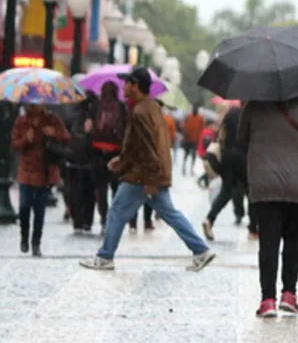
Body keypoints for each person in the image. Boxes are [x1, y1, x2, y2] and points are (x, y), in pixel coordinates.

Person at [80, 66, 215, 271]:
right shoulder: (150, 107)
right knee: (169, 212)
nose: (123, 87)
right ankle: (201, 250)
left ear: (136, 86)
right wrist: (122, 159)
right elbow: (140, 144)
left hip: (143, 174)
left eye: (127, 83)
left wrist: (150, 178)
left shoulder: (140, 111)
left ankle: (105, 256)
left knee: (117, 210)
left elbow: (148, 147)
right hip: (150, 171)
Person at [239, 95, 298, 317]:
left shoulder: (255, 104)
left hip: (265, 181)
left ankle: (267, 300)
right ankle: (289, 295)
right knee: (293, 237)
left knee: (268, 241)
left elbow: (242, 138)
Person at [11, 104, 70, 256]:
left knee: (39, 210)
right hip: (26, 171)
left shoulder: (52, 119)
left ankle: (36, 242)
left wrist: (54, 133)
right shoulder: (22, 121)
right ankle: (24, 237)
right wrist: (26, 139)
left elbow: (66, 137)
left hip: (45, 171)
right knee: (24, 206)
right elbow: (15, 144)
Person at [202, 104, 254, 240]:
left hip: (227, 156)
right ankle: (253, 228)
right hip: (244, 157)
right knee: (251, 191)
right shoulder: (251, 114)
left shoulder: (231, 113)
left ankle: (209, 219)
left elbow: (221, 134)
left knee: (226, 191)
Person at [88, 81, 128, 235]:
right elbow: (126, 129)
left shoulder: (96, 106)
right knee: (116, 189)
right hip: (116, 153)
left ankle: (104, 218)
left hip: (98, 152)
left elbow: (90, 129)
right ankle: (113, 219)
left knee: (100, 189)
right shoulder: (121, 107)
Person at [64, 93, 98, 233]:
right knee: (89, 193)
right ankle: (86, 222)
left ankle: (78, 221)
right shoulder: (95, 114)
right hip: (89, 160)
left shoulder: (72, 114)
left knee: (75, 192)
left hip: (74, 160)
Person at [182, 106, 205, 176]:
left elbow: (202, 129)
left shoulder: (200, 118)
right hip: (188, 139)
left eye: (196, 109)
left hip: (195, 140)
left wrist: (199, 139)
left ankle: (191, 169)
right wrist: (185, 135)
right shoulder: (189, 117)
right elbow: (185, 127)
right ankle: (184, 167)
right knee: (186, 154)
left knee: (193, 155)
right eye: (194, 109)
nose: (195, 110)